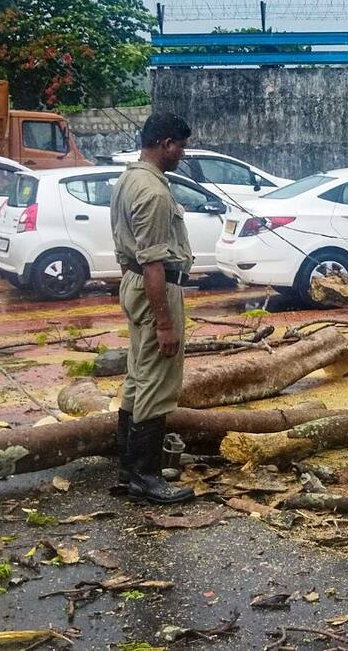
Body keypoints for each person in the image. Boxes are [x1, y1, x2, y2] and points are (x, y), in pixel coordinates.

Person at [110, 112, 195, 504]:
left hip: (133, 284)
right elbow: (154, 263)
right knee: (156, 384)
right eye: (180, 145)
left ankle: (131, 470)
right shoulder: (154, 193)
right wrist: (165, 323)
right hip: (155, 289)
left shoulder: (129, 178)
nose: (182, 153)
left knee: (137, 376)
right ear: (165, 144)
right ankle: (146, 478)